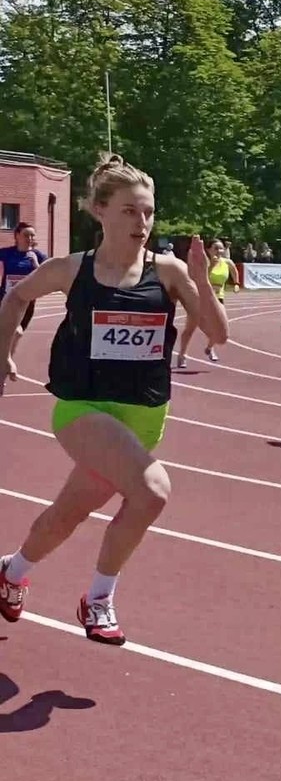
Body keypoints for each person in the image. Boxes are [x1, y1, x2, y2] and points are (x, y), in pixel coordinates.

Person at [0, 154, 228, 646]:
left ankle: (11, 572)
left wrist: (201, 279)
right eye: (129, 211)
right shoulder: (72, 269)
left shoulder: (167, 272)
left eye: (148, 212)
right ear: (99, 210)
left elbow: (218, 333)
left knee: (67, 514)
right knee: (152, 492)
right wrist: (3, 358)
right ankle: (99, 598)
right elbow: (15, 298)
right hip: (83, 408)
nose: (142, 223)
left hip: (144, 415)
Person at [0, 222, 49, 393]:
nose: (30, 238)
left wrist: (35, 263)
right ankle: (4, 367)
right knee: (14, 333)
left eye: (32, 235)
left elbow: (47, 276)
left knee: (16, 335)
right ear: (17, 236)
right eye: (26, 235)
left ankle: (3, 370)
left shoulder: (38, 256)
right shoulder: (7, 253)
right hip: (6, 301)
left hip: (27, 304)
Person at [175, 237, 238, 367]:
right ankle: (182, 355)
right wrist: (211, 266)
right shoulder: (204, 262)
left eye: (221, 248)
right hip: (199, 298)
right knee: (190, 328)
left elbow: (234, 271)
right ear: (208, 250)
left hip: (217, 299)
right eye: (216, 248)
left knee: (219, 328)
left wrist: (236, 283)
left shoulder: (227, 262)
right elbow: (200, 278)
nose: (219, 251)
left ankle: (209, 348)